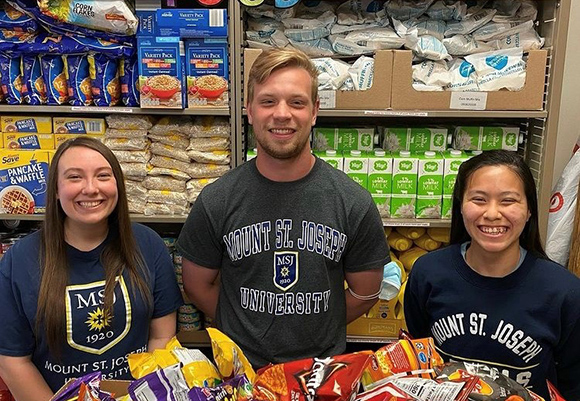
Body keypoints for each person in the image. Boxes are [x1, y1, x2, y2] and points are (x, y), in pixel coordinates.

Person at [176, 47, 390, 368]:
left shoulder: (352, 200)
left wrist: (318, 329)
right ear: (249, 110)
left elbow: (365, 293)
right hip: (241, 373)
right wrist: (243, 324)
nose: (282, 113)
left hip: (320, 375)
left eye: (297, 102)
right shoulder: (217, 199)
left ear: (315, 111)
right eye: (267, 101)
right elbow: (195, 285)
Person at [0, 137, 182, 401]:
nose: (91, 188)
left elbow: (162, 336)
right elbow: (13, 361)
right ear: (55, 189)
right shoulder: (19, 260)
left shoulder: (148, 245)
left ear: (117, 184)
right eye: (74, 177)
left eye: (103, 176)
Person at [404, 150, 580, 400]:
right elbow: (419, 357)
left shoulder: (565, 293)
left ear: (529, 210)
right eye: (478, 199)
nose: (492, 214)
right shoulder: (428, 273)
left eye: (508, 201)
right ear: (461, 206)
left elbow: (574, 384)